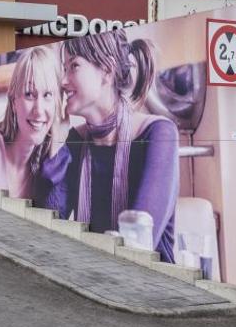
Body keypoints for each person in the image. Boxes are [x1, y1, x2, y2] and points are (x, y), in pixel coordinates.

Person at [39, 29, 179, 262]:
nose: (63, 81)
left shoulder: (159, 134)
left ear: (106, 70)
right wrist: (57, 140)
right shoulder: (73, 140)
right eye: (64, 69)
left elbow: (137, 245)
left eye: (73, 66)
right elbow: (48, 233)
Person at [0, 47, 66, 201]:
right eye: (29, 94)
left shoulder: (49, 159)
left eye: (47, 95)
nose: (39, 110)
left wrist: (56, 139)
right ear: (14, 102)